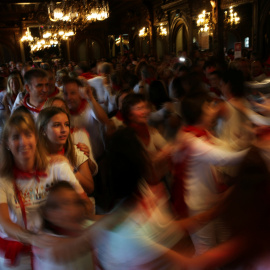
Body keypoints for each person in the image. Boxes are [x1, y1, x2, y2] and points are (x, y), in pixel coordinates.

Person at [0, 111, 85, 270]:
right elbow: (5, 223)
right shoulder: (2, 180)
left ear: (36, 137)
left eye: (27, 134)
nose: (23, 142)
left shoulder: (56, 166)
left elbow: (83, 204)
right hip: (17, 257)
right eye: (15, 137)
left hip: (51, 248)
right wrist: (33, 239)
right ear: (7, 143)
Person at [34, 181, 95, 270]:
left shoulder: (85, 227)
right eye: (65, 204)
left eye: (76, 202)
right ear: (49, 214)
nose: (72, 210)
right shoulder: (47, 242)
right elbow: (71, 247)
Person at [36, 106, 94, 195]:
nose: (64, 130)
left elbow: (90, 188)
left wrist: (70, 169)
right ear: (43, 130)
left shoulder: (76, 151)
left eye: (66, 124)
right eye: (57, 125)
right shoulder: (35, 156)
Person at [43, 96, 98, 176]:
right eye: (54, 109)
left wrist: (86, 159)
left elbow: (93, 172)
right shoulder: (40, 140)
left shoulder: (78, 133)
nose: (59, 112)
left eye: (62, 108)